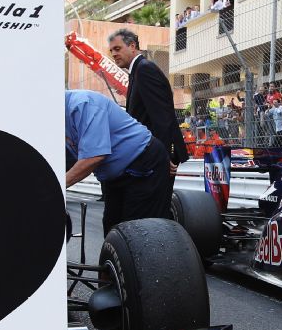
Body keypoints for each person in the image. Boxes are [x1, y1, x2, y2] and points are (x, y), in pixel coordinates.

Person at [65, 90, 171, 233]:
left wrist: (57, 185)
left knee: (138, 232)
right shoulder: (55, 120)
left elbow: (93, 157)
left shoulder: (83, 103)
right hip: (115, 176)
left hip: (144, 162)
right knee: (112, 229)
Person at [108, 28, 189, 175]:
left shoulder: (144, 69)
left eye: (117, 48)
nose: (113, 54)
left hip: (157, 158)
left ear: (132, 46)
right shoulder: (137, 71)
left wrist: (163, 157)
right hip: (150, 156)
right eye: (111, 50)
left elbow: (162, 118)